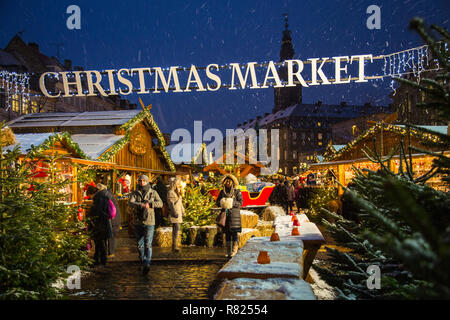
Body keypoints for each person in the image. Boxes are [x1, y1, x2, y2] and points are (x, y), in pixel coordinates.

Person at [129, 174, 163, 275]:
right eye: (140, 181)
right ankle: (142, 261)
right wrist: (141, 205)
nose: (142, 182)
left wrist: (151, 204)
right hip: (138, 222)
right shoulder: (135, 193)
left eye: (144, 181)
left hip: (149, 221)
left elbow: (160, 203)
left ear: (147, 182)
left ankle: (147, 264)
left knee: (148, 244)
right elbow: (130, 203)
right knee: (140, 245)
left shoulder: (153, 192)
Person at [215, 174, 243, 258]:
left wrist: (231, 202)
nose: (227, 183)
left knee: (234, 233)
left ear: (232, 182)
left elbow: (240, 202)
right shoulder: (222, 192)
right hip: (225, 216)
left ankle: (234, 251)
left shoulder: (237, 191)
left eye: (229, 181)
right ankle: (228, 251)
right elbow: (217, 202)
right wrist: (222, 202)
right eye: (226, 181)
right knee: (227, 234)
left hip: (234, 216)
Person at [86, 185, 113, 266]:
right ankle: (98, 258)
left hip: (99, 224)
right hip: (104, 223)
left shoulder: (99, 198)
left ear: (92, 193)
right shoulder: (103, 195)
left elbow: (98, 211)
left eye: (90, 195)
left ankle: (102, 260)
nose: (90, 198)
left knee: (100, 242)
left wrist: (90, 217)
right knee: (101, 242)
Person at [97, 183, 121, 258]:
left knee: (105, 236)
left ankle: (105, 253)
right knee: (111, 236)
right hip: (114, 218)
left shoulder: (102, 196)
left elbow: (101, 209)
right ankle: (110, 252)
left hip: (109, 219)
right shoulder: (109, 195)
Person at [166, 176, 185, 253]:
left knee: (176, 229)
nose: (178, 185)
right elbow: (171, 204)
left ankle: (175, 245)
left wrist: (183, 211)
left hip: (178, 212)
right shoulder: (170, 192)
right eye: (176, 184)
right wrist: (174, 212)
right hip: (175, 213)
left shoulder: (176, 192)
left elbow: (180, 203)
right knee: (176, 229)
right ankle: (174, 245)